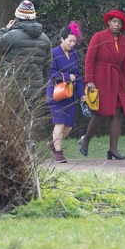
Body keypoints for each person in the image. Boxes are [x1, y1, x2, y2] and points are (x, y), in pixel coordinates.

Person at [81, 9, 125, 160]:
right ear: (109, 22)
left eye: (120, 23)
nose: (117, 25)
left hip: (118, 80)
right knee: (101, 112)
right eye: (114, 22)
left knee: (117, 113)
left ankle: (113, 149)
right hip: (101, 78)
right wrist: (89, 80)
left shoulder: (123, 41)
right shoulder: (99, 37)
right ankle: (86, 139)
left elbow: (124, 64)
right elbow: (89, 59)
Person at [0, 0, 51, 109]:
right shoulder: (45, 39)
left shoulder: (11, 35)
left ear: (17, 17)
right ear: (34, 17)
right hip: (35, 90)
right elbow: (47, 66)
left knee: (11, 120)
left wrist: (5, 30)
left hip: (13, 87)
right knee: (29, 121)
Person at [46, 23, 85, 163]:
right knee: (60, 122)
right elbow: (50, 73)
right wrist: (68, 77)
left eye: (74, 41)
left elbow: (78, 75)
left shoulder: (74, 54)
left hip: (70, 94)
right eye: (70, 41)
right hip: (56, 93)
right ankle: (58, 152)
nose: (72, 44)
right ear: (62, 39)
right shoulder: (53, 53)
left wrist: (82, 93)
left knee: (68, 126)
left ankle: (52, 144)